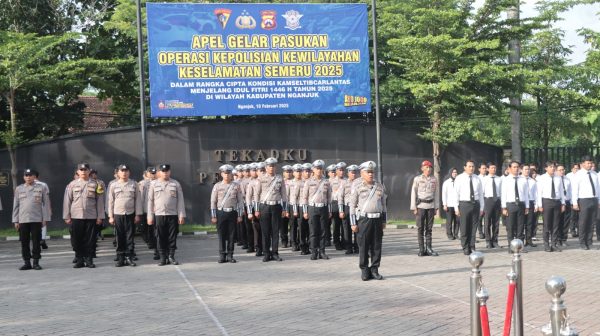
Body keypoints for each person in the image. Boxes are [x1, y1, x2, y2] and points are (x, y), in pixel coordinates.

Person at [349, 161, 387, 281]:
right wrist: (353, 222)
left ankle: (374, 269)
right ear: (362, 173)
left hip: (377, 219)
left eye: (372, 172)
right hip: (364, 219)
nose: (371, 174)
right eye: (368, 172)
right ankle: (365, 270)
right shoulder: (357, 186)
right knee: (364, 246)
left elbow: (384, 205)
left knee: (376, 246)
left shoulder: (380, 186)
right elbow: (352, 205)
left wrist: (384, 220)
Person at [63, 163, 105, 268]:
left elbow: (100, 201)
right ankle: (79, 259)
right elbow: (67, 200)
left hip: (91, 216)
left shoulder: (96, 184)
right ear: (77, 172)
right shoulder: (72, 184)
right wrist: (66, 216)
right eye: (81, 170)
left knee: (90, 239)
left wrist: (100, 216)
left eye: (85, 169)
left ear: (89, 171)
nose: (83, 171)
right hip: (76, 216)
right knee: (77, 239)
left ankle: (89, 259)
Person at [147, 164, 186, 265]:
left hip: (172, 214)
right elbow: (150, 201)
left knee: (172, 236)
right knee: (160, 236)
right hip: (159, 215)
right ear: (159, 172)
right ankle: (163, 257)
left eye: (167, 171)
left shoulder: (175, 184)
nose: (165, 173)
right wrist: (150, 216)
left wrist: (181, 215)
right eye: (163, 171)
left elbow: (180, 200)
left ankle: (171, 256)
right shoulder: (153, 184)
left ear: (170, 172)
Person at [12, 168, 51, 270]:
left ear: (34, 177)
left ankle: (36, 262)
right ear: (24, 177)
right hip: (23, 219)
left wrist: (45, 218)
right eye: (26, 175)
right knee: (24, 242)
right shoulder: (19, 189)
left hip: (36, 219)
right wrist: (16, 220)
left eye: (30, 175)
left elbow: (45, 204)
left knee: (36, 242)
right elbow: (16, 206)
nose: (28, 177)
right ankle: (27, 262)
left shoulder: (41, 188)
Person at [108, 164, 143, 267]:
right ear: (118, 173)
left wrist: (137, 214)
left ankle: (129, 257)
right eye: (122, 171)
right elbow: (110, 201)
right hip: (118, 214)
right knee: (119, 236)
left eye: (126, 171)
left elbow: (138, 200)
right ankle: (120, 258)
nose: (124, 173)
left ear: (129, 172)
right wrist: (110, 216)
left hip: (130, 214)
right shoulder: (113, 185)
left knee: (129, 236)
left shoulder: (134, 184)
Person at [254, 158, 288, 262]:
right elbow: (257, 194)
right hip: (264, 206)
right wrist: (256, 209)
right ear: (266, 167)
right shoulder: (260, 178)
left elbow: (284, 194)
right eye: (269, 166)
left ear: (275, 167)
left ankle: (275, 253)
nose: (271, 168)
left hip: (276, 207)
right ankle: (266, 253)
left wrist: (284, 209)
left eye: (273, 166)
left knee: (275, 231)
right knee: (265, 231)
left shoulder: (279, 178)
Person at [211, 164, 244, 263]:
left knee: (231, 235)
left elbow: (240, 201)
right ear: (221, 174)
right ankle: (222, 255)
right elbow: (213, 201)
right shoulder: (217, 186)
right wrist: (213, 215)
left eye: (229, 173)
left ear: (231, 174)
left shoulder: (236, 186)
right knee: (221, 235)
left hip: (232, 213)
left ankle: (230, 255)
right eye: (225, 173)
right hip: (221, 212)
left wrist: (240, 214)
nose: (227, 175)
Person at [301, 160, 332, 260]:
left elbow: (329, 197)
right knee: (313, 231)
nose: (319, 170)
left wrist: (329, 210)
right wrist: (305, 211)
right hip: (312, 208)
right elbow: (304, 198)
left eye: (321, 168)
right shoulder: (308, 182)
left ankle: (322, 251)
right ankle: (314, 252)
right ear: (313, 169)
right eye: (317, 168)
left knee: (323, 231)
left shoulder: (326, 181)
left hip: (323, 208)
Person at [454, 160, 484, 255]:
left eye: (473, 166)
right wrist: (456, 208)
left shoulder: (477, 179)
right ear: (465, 167)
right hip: (464, 204)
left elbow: (480, 194)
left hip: (475, 204)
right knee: (464, 226)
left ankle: (472, 245)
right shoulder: (459, 178)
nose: (471, 168)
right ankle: (465, 246)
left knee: (473, 226)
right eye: (469, 166)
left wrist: (482, 208)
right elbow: (455, 194)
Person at [410, 160, 439, 256]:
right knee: (420, 228)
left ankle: (429, 248)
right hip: (420, 206)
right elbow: (413, 193)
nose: (428, 169)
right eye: (426, 167)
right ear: (422, 168)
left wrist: (436, 207)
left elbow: (436, 194)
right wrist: (414, 207)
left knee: (429, 228)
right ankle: (422, 249)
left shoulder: (434, 179)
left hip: (430, 206)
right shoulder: (417, 179)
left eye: (430, 167)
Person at [571, 156, 600, 250]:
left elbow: (597, 189)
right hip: (583, 200)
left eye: (590, 163)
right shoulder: (578, 175)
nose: (589, 165)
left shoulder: (594, 174)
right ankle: (582, 242)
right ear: (583, 164)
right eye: (588, 163)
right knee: (583, 222)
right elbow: (575, 189)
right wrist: (575, 202)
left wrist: (598, 200)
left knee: (592, 222)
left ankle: (589, 241)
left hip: (594, 199)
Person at [536, 162, 565, 252]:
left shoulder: (558, 178)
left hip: (556, 202)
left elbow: (561, 191)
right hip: (547, 201)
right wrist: (539, 205)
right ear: (546, 168)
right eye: (550, 167)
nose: (553, 168)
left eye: (554, 167)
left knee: (555, 224)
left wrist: (563, 203)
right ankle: (546, 244)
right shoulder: (541, 178)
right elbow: (539, 192)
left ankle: (554, 244)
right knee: (547, 224)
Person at [501, 161, 529, 253]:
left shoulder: (523, 179)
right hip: (510, 205)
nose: (516, 169)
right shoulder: (506, 180)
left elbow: (526, 194)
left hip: (521, 205)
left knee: (520, 227)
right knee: (510, 227)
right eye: (514, 167)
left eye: (517, 167)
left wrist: (527, 206)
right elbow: (503, 194)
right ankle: (511, 246)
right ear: (509, 169)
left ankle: (520, 247)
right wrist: (504, 207)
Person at [338, 164, 359, 254]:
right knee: (347, 229)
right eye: (351, 172)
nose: (353, 174)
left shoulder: (360, 183)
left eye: (355, 172)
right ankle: (349, 247)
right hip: (347, 207)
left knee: (357, 228)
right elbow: (340, 197)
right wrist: (341, 210)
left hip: (357, 208)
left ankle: (357, 247)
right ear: (348, 173)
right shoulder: (344, 183)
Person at [139, 166, 159, 260]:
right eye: (151, 173)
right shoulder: (142, 184)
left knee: (155, 231)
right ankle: (149, 241)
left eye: (154, 173)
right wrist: (140, 211)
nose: (153, 174)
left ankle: (156, 248)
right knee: (145, 229)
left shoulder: (159, 182)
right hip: (146, 210)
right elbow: (140, 198)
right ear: (147, 173)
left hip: (157, 211)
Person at [482, 162, 502, 248]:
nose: (493, 169)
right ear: (487, 169)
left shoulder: (499, 179)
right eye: (491, 168)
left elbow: (501, 192)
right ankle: (488, 241)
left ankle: (495, 241)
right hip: (488, 200)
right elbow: (481, 192)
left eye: (494, 168)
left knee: (496, 222)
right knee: (487, 222)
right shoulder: (484, 179)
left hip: (497, 200)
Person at [246, 163, 263, 256]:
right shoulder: (252, 183)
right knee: (257, 229)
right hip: (255, 208)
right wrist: (249, 212)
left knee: (266, 229)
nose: (261, 172)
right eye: (259, 170)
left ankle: (266, 247)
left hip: (266, 207)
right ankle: (258, 248)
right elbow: (248, 198)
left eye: (262, 170)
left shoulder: (266, 181)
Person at [330, 162, 346, 250]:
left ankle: (344, 241)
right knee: (336, 225)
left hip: (344, 203)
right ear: (336, 171)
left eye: (343, 170)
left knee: (344, 224)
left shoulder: (347, 180)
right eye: (340, 170)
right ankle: (336, 242)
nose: (342, 172)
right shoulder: (331, 181)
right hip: (335, 203)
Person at [287, 164, 303, 251]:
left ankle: (301, 242)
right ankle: (293, 243)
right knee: (293, 226)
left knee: (301, 225)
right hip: (292, 206)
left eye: (300, 171)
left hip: (301, 206)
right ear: (293, 173)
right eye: (297, 171)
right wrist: (286, 210)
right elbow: (286, 196)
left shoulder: (304, 182)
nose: (298, 173)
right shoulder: (290, 183)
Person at [442, 168, 460, 240]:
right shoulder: (446, 182)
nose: (455, 173)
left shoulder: (459, 182)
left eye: (456, 172)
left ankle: (456, 234)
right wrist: (444, 204)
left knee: (457, 221)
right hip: (449, 204)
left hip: (457, 205)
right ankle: (449, 234)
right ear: (450, 173)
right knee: (449, 221)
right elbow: (444, 194)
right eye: (453, 172)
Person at [280, 165, 293, 248]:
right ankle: (284, 241)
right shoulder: (281, 182)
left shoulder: (294, 182)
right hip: (283, 206)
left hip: (292, 206)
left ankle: (293, 241)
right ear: (283, 173)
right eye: (286, 172)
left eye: (289, 172)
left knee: (292, 225)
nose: (288, 174)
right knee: (283, 225)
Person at [567, 163, 580, 237]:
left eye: (577, 168)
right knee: (572, 216)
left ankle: (579, 230)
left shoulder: (581, 175)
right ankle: (572, 230)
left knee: (579, 216)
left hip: (580, 198)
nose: (576, 170)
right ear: (572, 169)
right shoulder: (568, 176)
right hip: (571, 199)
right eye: (575, 168)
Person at [476, 162, 488, 240]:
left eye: (485, 168)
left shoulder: (488, 177)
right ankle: (480, 232)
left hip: (487, 199)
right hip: (480, 198)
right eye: (483, 168)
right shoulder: (477, 178)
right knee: (479, 217)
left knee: (487, 217)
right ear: (479, 169)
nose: (484, 170)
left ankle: (486, 232)